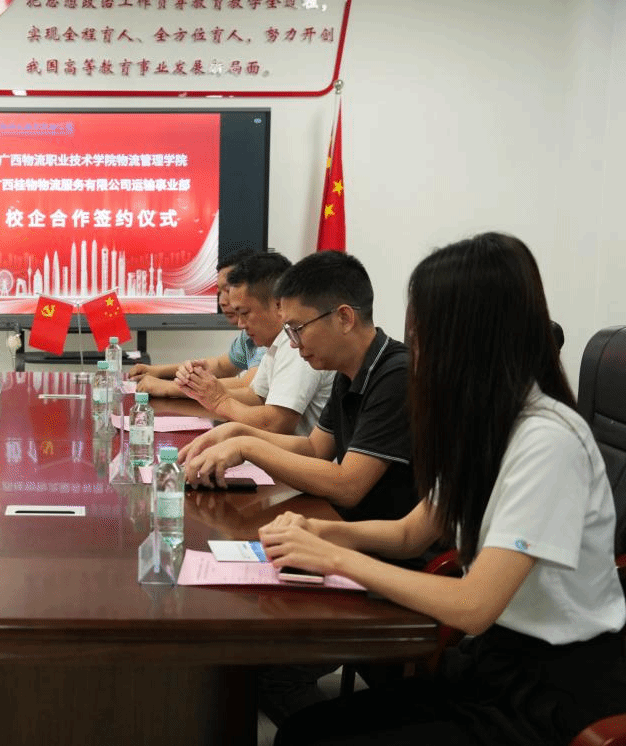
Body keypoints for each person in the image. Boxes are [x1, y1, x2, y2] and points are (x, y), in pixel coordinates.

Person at [264, 232, 626, 745]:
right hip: (492, 661)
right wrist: (321, 533)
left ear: (471, 339)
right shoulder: (482, 425)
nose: (417, 352)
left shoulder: (548, 440)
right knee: (307, 729)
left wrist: (336, 559)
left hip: (551, 687)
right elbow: (411, 534)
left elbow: (475, 604)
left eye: (425, 335)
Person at [179, 251, 419, 724]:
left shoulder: (395, 375)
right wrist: (236, 434)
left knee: (266, 670)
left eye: (298, 329)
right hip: (344, 537)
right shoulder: (351, 370)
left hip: (389, 558)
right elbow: (314, 448)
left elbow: (348, 487)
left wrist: (249, 446)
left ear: (344, 318)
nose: (292, 343)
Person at [176, 252, 335, 435]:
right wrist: (205, 387)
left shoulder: (295, 344)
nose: (240, 324)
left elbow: (277, 423)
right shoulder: (276, 342)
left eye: (244, 313)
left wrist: (220, 400)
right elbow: (257, 398)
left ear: (278, 305)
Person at [131, 252, 266, 397]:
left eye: (228, 290)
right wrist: (156, 371)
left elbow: (250, 386)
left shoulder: (268, 334)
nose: (222, 301)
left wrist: (169, 387)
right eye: (219, 292)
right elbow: (221, 366)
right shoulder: (248, 334)